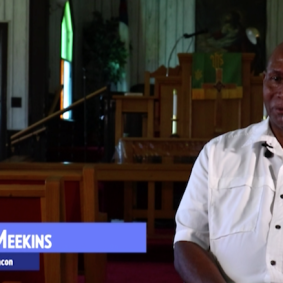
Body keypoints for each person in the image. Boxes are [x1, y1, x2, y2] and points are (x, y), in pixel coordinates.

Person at [174, 42, 283, 283]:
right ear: (264, 81)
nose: (282, 92)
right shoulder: (217, 154)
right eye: (276, 78)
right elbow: (187, 240)